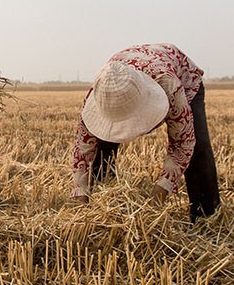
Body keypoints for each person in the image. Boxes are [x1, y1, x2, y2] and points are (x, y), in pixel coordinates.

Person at [71, 43, 220, 222]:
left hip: (181, 76)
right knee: (102, 140)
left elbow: (183, 144)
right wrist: (80, 196)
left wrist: (159, 195)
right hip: (129, 65)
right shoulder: (101, 91)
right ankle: (102, 196)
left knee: (198, 147)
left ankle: (206, 216)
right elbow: (82, 150)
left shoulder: (169, 86)